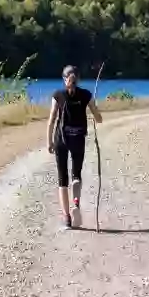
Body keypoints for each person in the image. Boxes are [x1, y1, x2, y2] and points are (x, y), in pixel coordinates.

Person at [47, 65, 102, 229]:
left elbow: (51, 120)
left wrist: (49, 141)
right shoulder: (86, 95)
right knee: (76, 176)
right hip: (78, 139)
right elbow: (99, 118)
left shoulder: (58, 95)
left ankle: (67, 218)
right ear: (78, 79)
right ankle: (76, 203)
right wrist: (95, 114)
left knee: (62, 179)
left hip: (61, 139)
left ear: (64, 79)